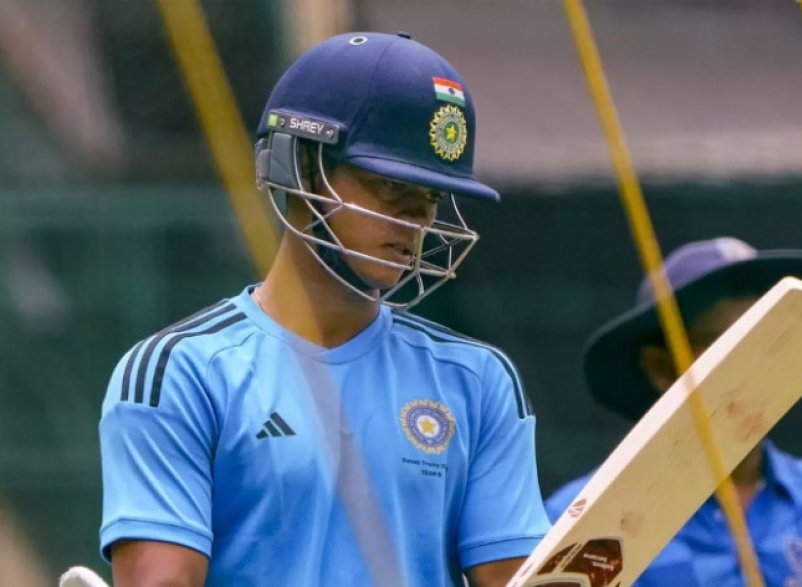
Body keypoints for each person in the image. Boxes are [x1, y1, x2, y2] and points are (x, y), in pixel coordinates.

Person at [98, 32, 550, 587]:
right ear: (302, 169)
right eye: (390, 186)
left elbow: (513, 579)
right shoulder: (178, 373)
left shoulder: (478, 381)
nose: (417, 221)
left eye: (430, 197)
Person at [546, 237, 802, 586]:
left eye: (768, 341)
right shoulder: (585, 526)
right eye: (724, 343)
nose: (752, 364)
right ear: (659, 366)